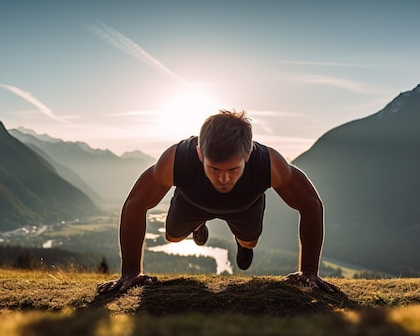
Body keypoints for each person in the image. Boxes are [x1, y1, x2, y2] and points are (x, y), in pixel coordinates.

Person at [97, 110, 340, 294]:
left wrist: (309, 271)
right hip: (191, 202)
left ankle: (242, 244)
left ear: (248, 154)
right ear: (200, 153)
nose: (223, 178)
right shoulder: (176, 159)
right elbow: (134, 205)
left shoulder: (270, 164)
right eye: (213, 168)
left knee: (250, 242)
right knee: (171, 237)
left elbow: (311, 205)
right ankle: (197, 225)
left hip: (245, 206)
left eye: (233, 169)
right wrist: (130, 273)